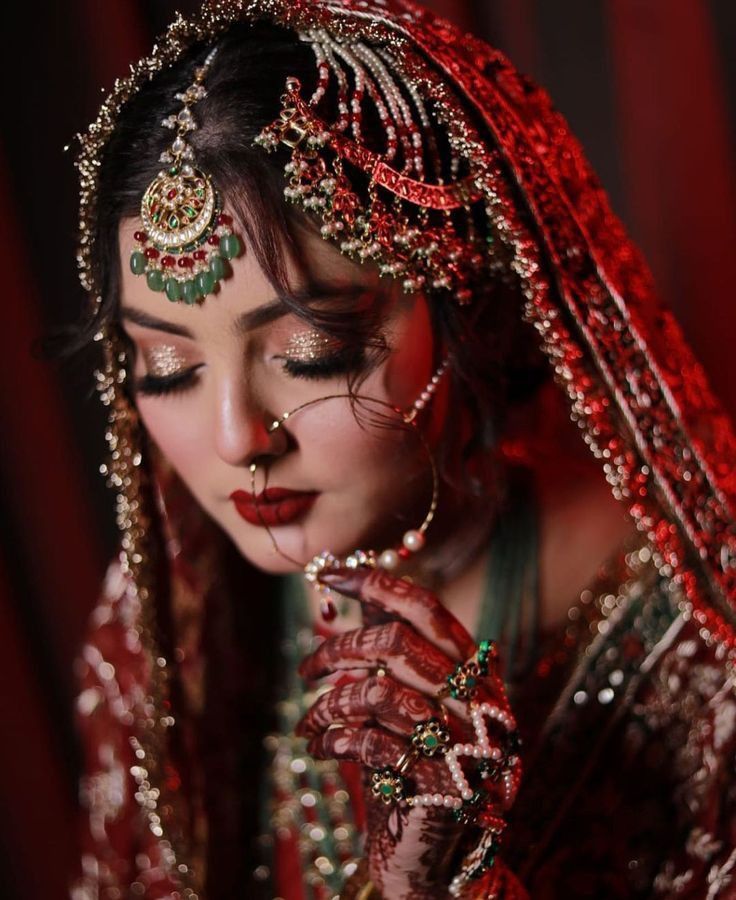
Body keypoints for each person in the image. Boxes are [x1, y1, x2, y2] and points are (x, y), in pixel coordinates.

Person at [69, 1, 736, 897]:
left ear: (474, 308)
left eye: (314, 356)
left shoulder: (705, 647)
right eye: (165, 365)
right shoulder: (167, 624)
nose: (236, 440)